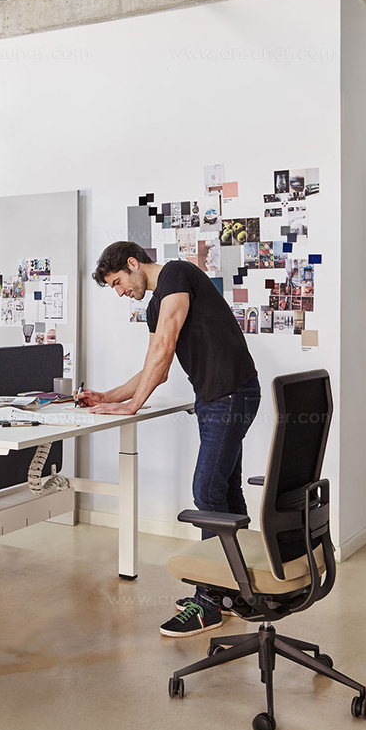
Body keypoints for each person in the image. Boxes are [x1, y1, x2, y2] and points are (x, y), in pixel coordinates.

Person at [80, 241, 261, 637]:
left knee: (206, 492)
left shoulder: (176, 274)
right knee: (225, 491)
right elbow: (154, 368)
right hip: (215, 398)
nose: (119, 292)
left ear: (133, 263)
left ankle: (209, 601)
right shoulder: (154, 306)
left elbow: (165, 347)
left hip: (231, 395)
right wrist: (108, 396)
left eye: (118, 282)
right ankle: (238, 592)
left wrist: (132, 407)